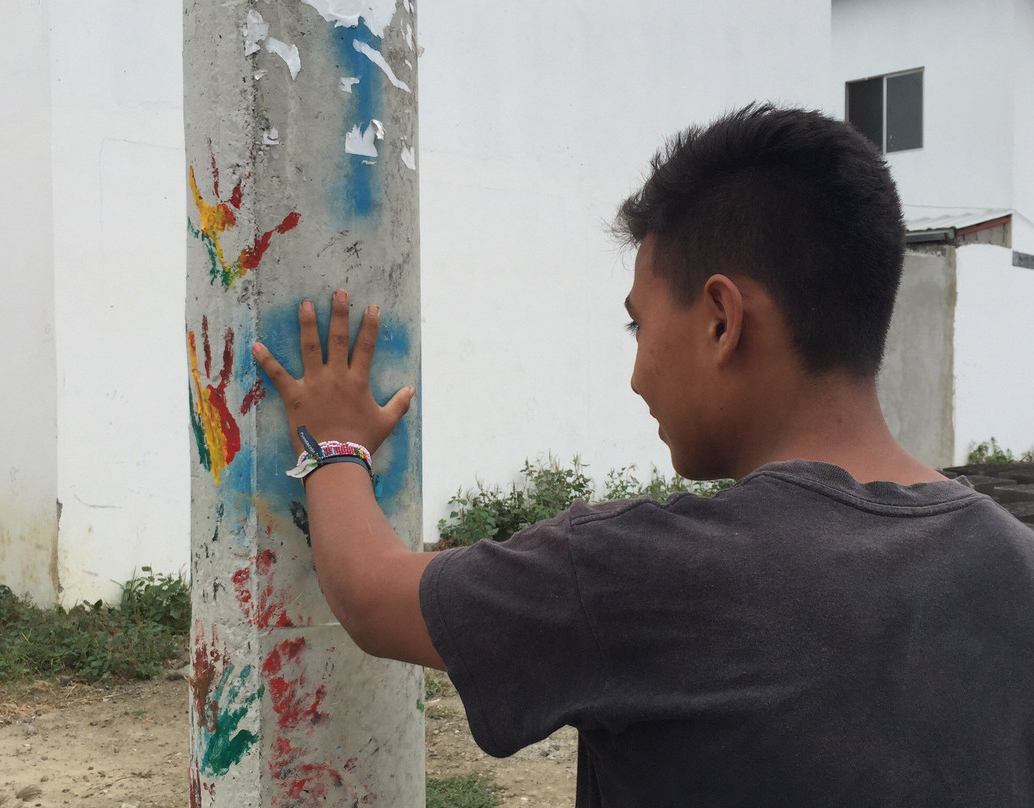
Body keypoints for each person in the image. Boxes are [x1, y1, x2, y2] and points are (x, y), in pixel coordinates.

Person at [252, 104, 1034, 807]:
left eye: (638, 326)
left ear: (723, 320)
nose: (635, 374)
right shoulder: (1011, 560)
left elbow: (369, 594)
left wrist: (334, 441)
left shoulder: (646, 572)